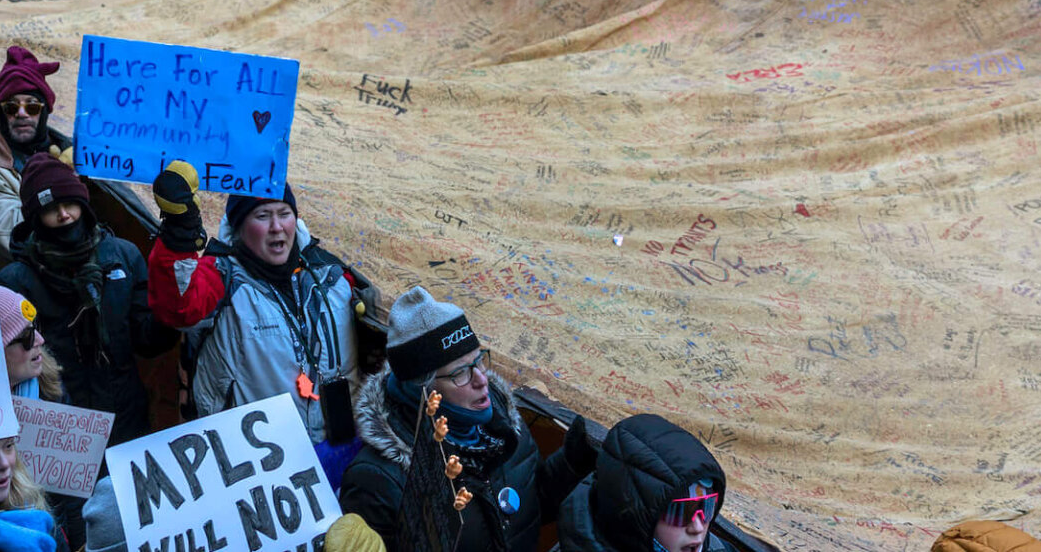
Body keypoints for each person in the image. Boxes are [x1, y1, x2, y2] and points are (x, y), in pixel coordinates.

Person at [342, 288, 599, 552]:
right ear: (422, 390)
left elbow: (525, 509)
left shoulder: (503, 425)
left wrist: (572, 463)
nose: (481, 379)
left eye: (479, 361)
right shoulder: (377, 481)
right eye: (460, 373)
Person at [146, 163, 367, 456]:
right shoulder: (221, 278)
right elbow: (178, 307)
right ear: (240, 228)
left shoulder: (332, 277)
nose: (277, 226)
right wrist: (179, 232)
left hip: (337, 453)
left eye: (284, 213)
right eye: (263, 216)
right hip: (255, 467)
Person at [0, 156, 169, 443]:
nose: (64, 215)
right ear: (36, 218)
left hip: (125, 420)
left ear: (83, 205)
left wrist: (171, 314)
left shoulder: (122, 257)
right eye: (51, 209)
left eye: (70, 204)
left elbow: (147, 341)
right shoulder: (14, 282)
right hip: (59, 431)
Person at [558, 415, 732, 552]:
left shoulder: (719, 548)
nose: (698, 527)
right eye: (681, 512)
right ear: (634, 514)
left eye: (707, 507)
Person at [0, 46, 72, 262]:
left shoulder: (66, 153)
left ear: (44, 112)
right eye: (11, 108)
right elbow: (12, 236)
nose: (21, 114)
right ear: (1, 114)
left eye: (32, 107)